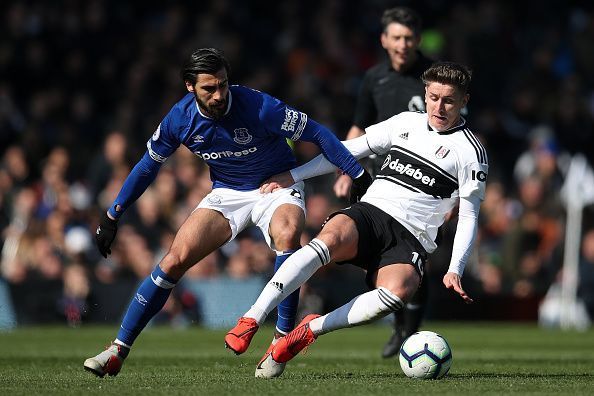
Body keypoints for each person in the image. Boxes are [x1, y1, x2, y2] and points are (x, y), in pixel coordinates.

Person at [83, 48, 370, 378]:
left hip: (275, 186)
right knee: (174, 259)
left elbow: (317, 132)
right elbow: (147, 167)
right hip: (227, 193)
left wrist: (356, 173)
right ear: (190, 87)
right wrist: (112, 215)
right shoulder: (180, 119)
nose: (219, 94)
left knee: (288, 233)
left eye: (223, 84)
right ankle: (117, 350)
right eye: (209, 88)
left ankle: (281, 343)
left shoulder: (259, 106)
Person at [225, 61, 488, 378]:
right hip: (372, 212)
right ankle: (252, 317)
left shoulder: (471, 151)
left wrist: (455, 268)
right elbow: (345, 151)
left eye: (449, 100)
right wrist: (291, 175)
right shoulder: (405, 123)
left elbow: (470, 213)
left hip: (413, 237)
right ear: (425, 93)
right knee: (329, 239)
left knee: (399, 291)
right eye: (434, 97)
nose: (439, 106)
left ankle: (310, 330)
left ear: (464, 101)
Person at [333, 6, 434, 358]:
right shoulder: (373, 78)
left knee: (417, 254)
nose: (403, 44)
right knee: (375, 247)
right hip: (378, 176)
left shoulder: (434, 77)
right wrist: (347, 169)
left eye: (408, 38)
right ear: (384, 40)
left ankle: (409, 325)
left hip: (423, 181)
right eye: (396, 38)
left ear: (417, 40)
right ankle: (397, 318)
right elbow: (358, 127)